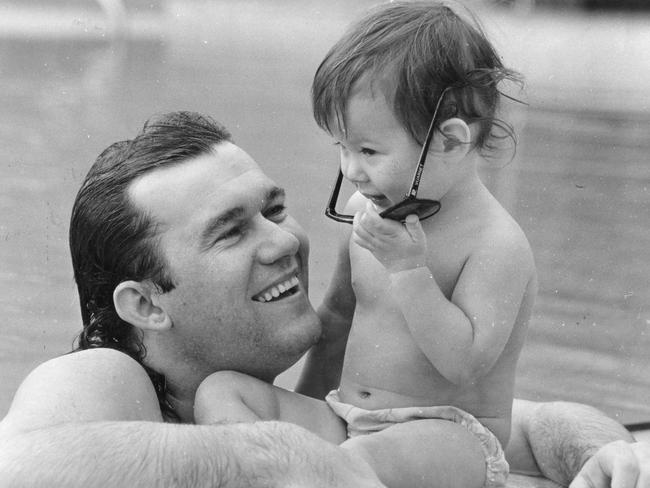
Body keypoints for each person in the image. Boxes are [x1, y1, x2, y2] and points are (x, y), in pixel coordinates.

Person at [0, 110, 643, 488]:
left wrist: (612, 460)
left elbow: (522, 425)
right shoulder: (109, 377)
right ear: (144, 307)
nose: (283, 241)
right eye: (231, 231)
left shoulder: (304, 402)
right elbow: (15, 471)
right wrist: (278, 458)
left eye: (274, 209)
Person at [194, 3, 533, 487]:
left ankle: (309, 473)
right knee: (222, 391)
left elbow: (466, 366)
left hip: (449, 441)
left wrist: (409, 270)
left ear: (451, 142)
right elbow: (337, 317)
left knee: (360, 464)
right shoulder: (366, 211)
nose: (352, 169)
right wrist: (308, 408)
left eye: (369, 151)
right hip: (349, 422)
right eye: (342, 147)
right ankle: (275, 470)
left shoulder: (496, 244)